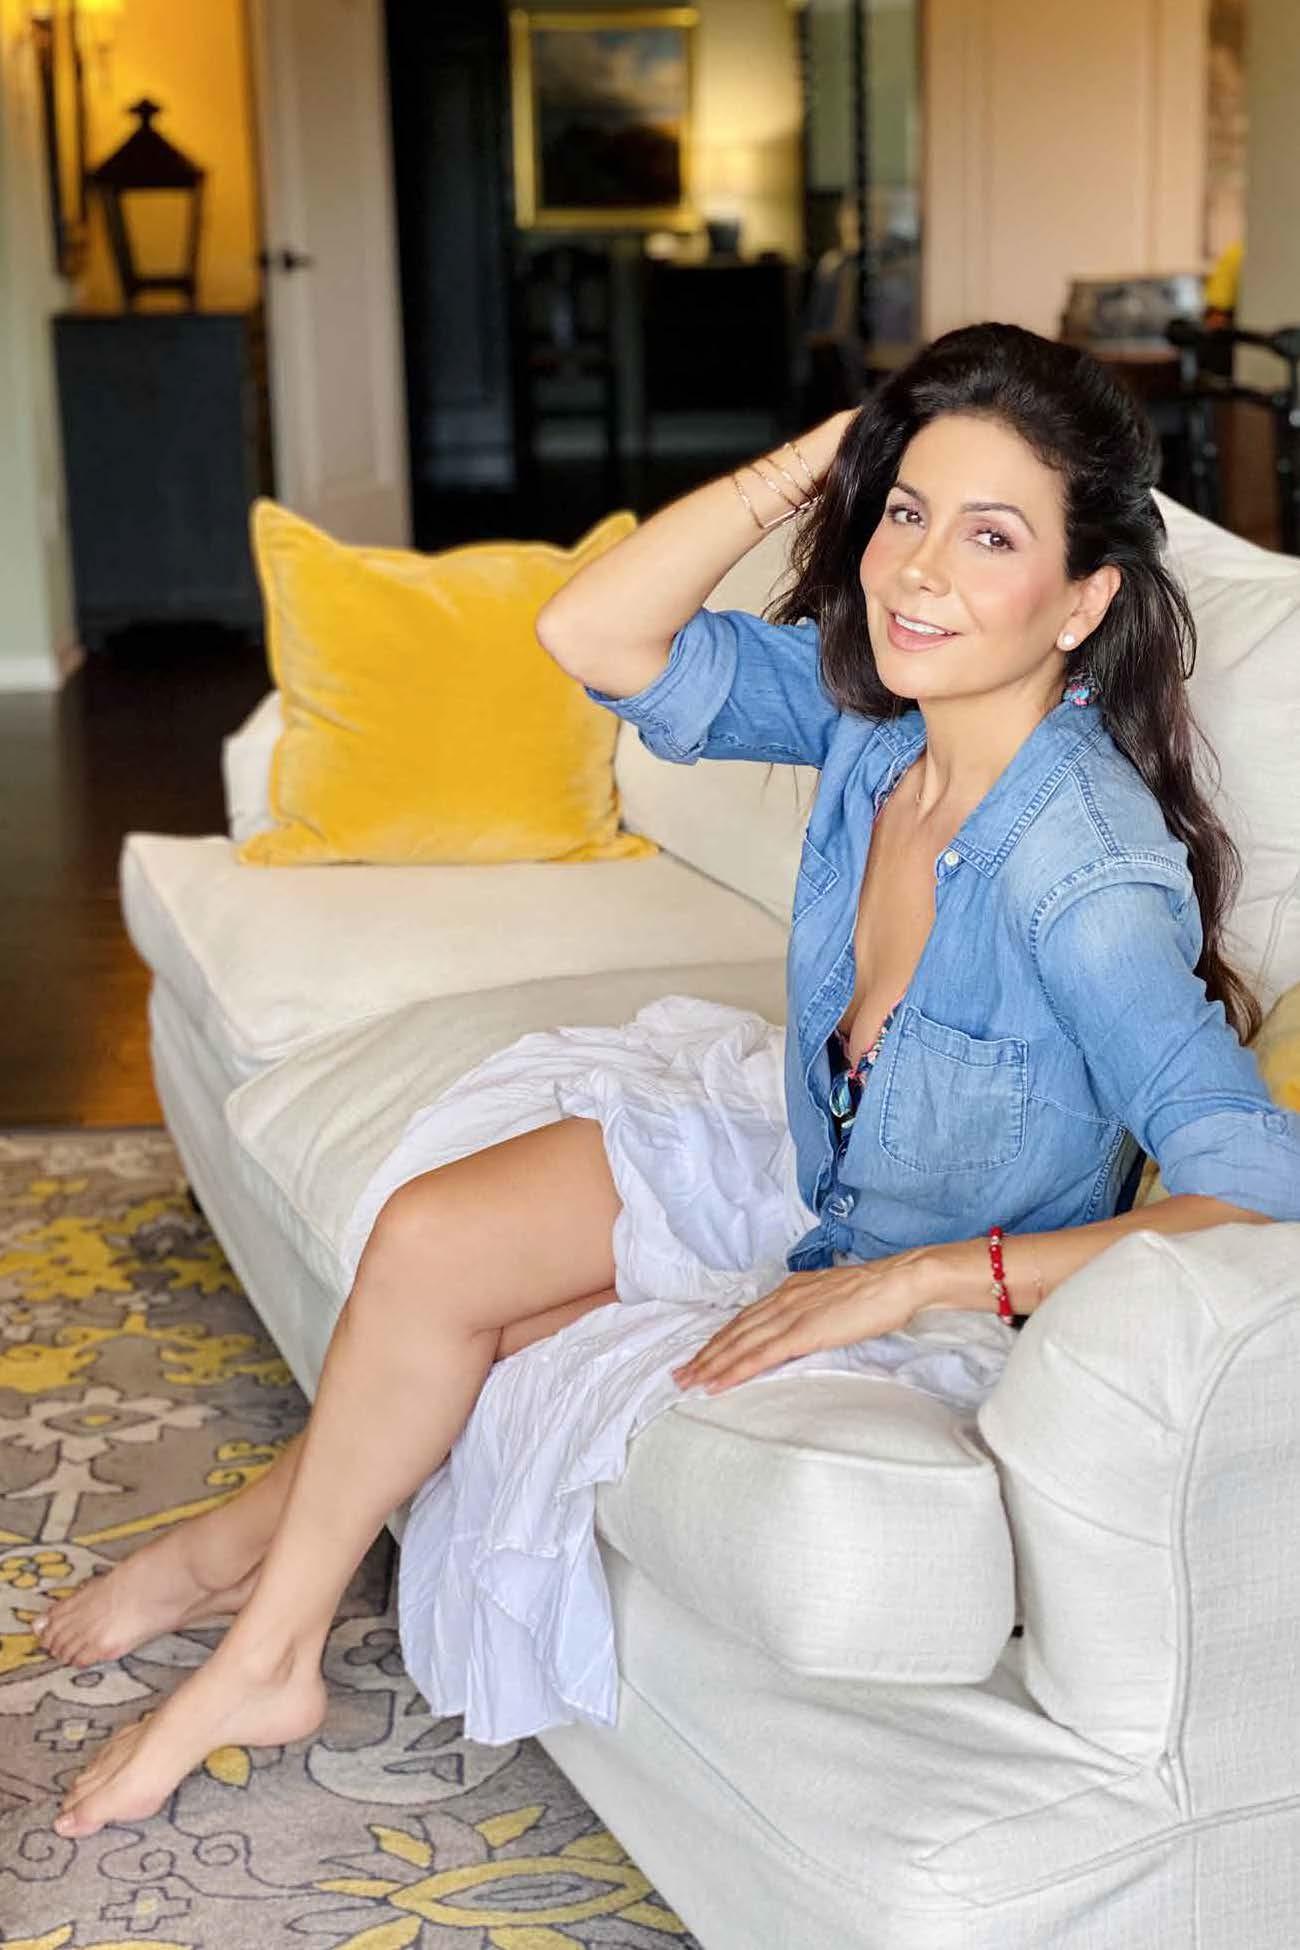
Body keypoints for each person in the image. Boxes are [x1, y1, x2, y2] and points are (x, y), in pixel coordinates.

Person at [38, 323, 1300, 1837]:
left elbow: (1258, 1186)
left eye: (991, 537)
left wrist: (923, 1282)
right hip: (819, 1170)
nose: (918, 572)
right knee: (436, 1242)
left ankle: (252, 1625)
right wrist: (819, 459)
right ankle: (259, 1611)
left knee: (514, 1330)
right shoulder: (875, 719)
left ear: (1083, 600)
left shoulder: (1083, 873)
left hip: (945, 1278)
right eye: (905, 511)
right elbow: (594, 635)